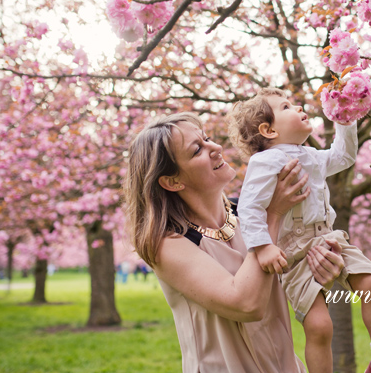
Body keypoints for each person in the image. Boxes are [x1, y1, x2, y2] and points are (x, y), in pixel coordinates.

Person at [123, 112, 345, 373]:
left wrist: (320, 268)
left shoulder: (246, 216)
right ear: (172, 181)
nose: (215, 148)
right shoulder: (169, 244)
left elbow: (289, 278)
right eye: (197, 150)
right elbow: (246, 304)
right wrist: (271, 216)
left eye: (206, 139)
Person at [228, 88, 371, 373]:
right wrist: (263, 246)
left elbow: (344, 157)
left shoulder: (311, 155)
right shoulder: (265, 162)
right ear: (268, 130)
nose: (297, 107)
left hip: (329, 236)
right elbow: (249, 208)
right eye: (286, 107)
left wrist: (345, 120)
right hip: (294, 253)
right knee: (319, 326)